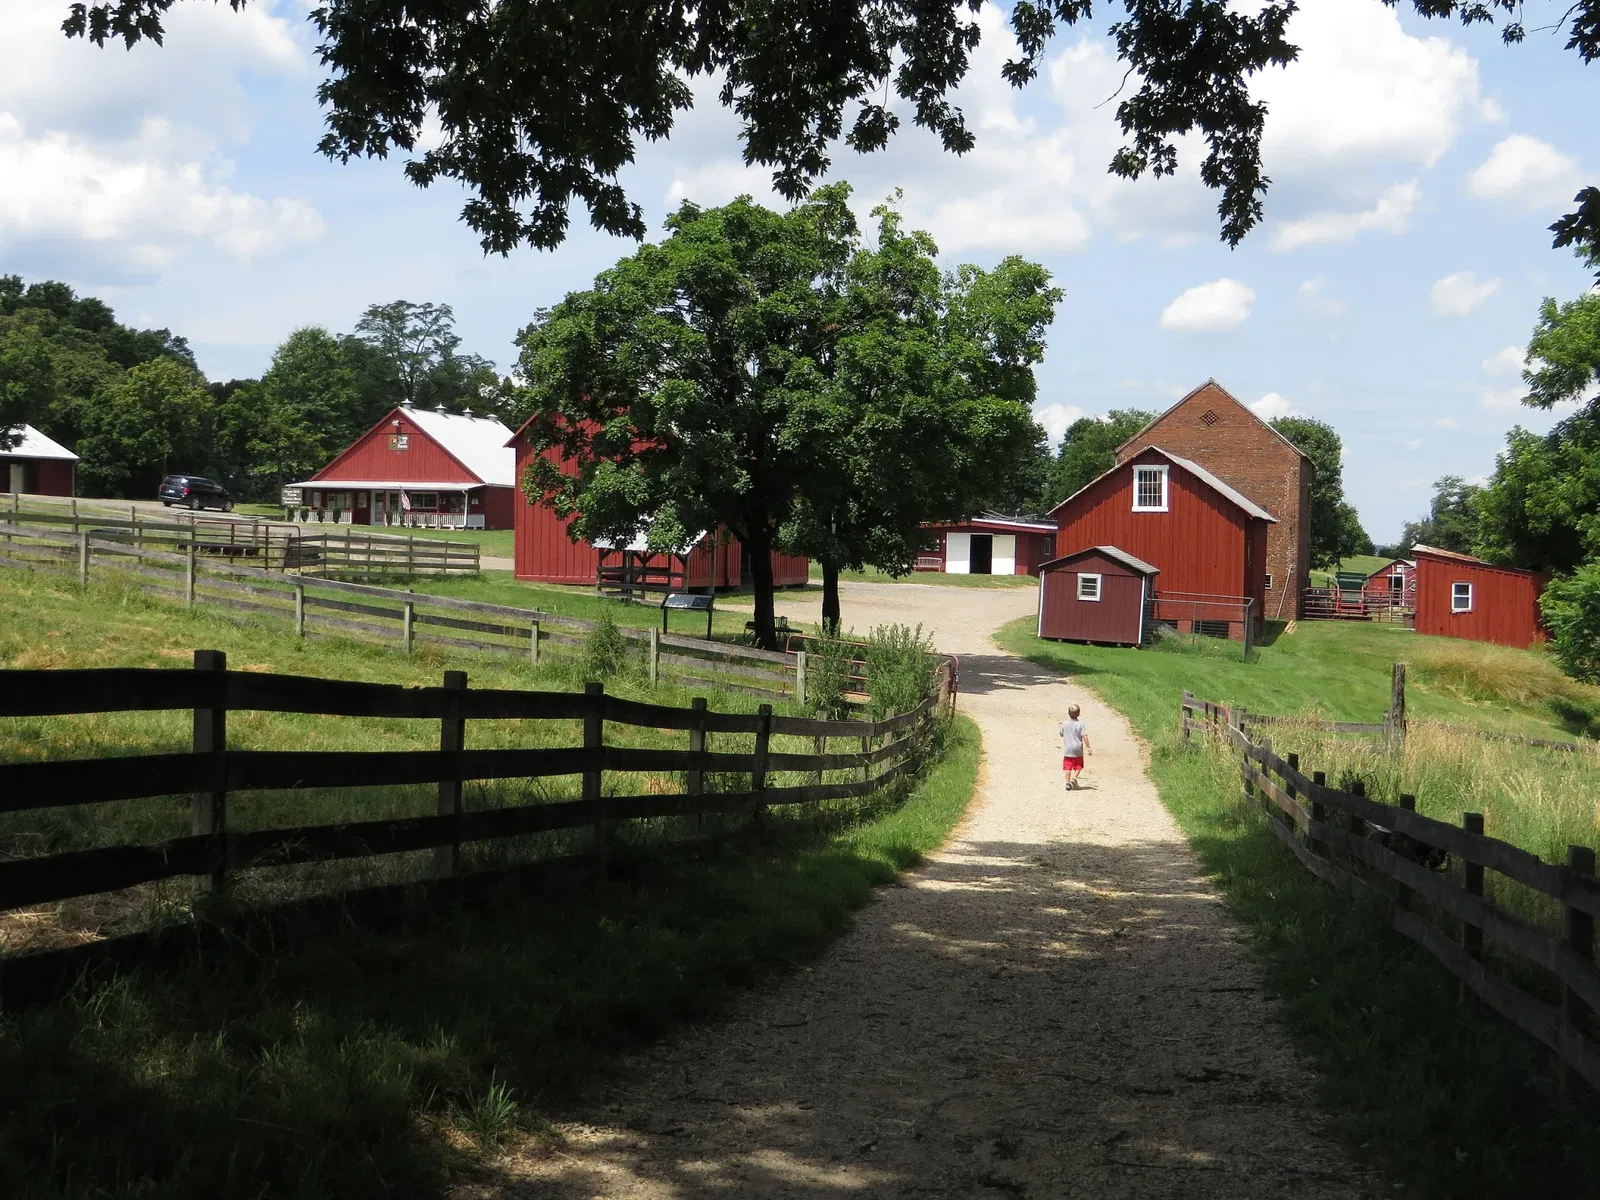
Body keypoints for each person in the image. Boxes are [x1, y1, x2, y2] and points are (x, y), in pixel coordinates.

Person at [1059, 704, 1091, 789]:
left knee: (1067, 767)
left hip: (1068, 749)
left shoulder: (1064, 724)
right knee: (1079, 765)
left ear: (1068, 713)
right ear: (1079, 714)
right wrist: (1088, 747)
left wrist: (1060, 727)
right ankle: (1075, 777)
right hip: (1078, 749)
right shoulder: (1081, 724)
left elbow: (1061, 734)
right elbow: (1084, 735)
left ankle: (1067, 782)